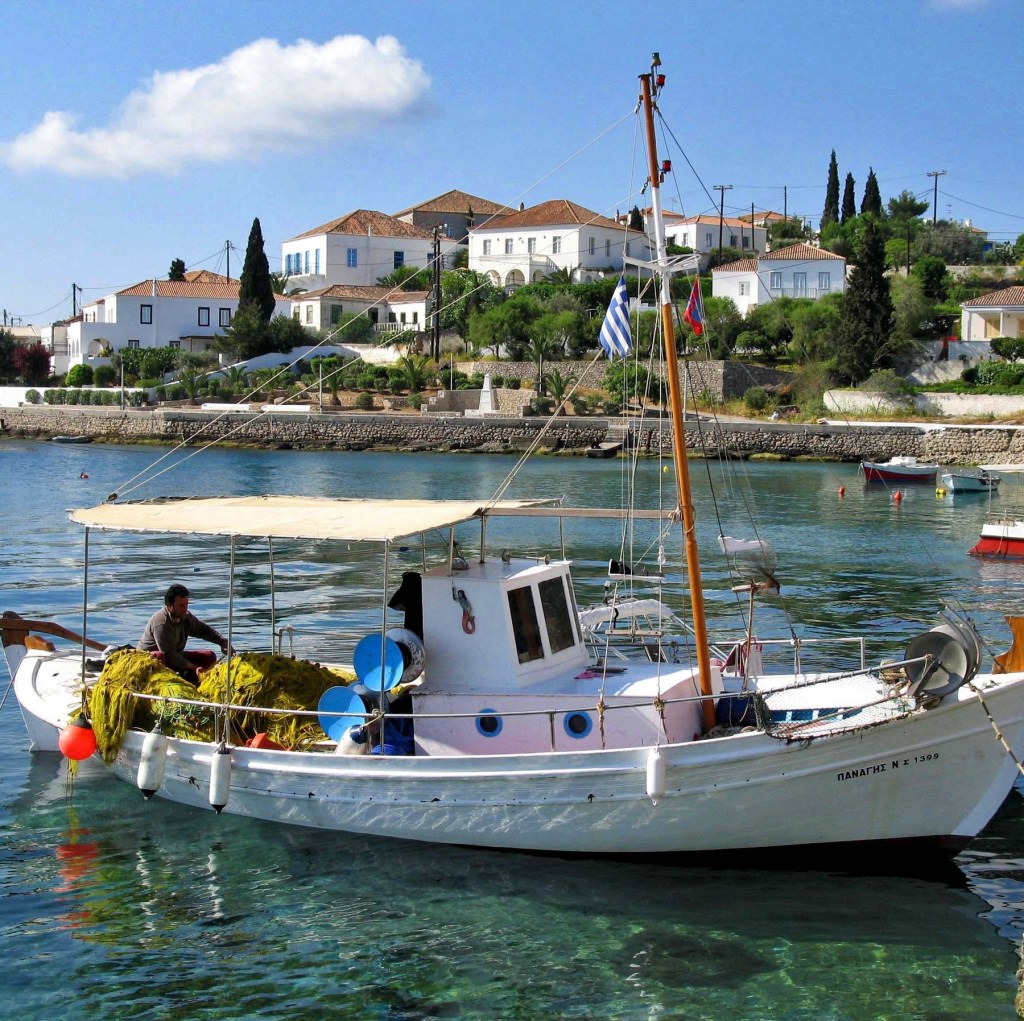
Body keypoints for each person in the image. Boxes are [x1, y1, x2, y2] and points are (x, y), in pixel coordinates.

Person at [138, 583, 233, 683]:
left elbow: (203, 630)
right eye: (181, 605)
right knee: (159, 657)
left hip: (175, 656)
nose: (185, 609)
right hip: (153, 661)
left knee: (209, 656)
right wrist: (195, 667)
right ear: (170, 605)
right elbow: (170, 655)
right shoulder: (161, 622)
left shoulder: (185, 616)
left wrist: (222, 642)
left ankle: (195, 682)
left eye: (186, 604)